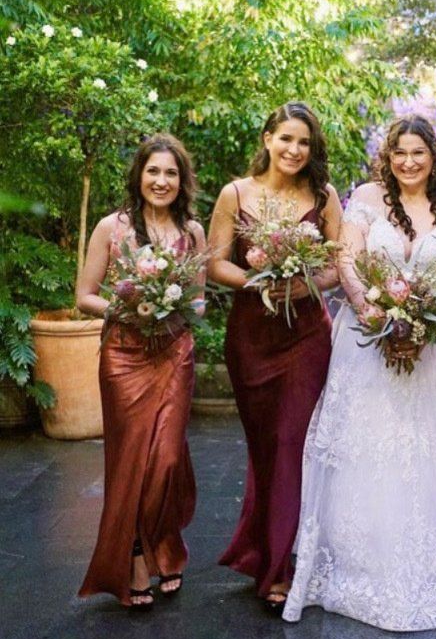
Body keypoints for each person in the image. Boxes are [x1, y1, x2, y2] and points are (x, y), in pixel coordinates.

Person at [283, 114, 436, 631]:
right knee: (371, 448)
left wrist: (426, 324)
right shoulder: (364, 198)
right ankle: (362, 555)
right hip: (367, 344)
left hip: (435, 349)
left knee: (431, 450)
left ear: (434, 158)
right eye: (400, 153)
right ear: (388, 157)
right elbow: (349, 261)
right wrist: (376, 316)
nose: (408, 162)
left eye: (418, 153)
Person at [207, 102, 342, 613]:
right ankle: (263, 549)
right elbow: (215, 263)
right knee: (265, 446)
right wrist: (259, 281)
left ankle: (283, 567)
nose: (294, 150)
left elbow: (338, 263)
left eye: (304, 142)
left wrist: (303, 287)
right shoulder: (235, 194)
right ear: (267, 139)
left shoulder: (323, 196)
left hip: (306, 335)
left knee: (293, 441)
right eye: (286, 138)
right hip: (250, 337)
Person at [78, 133, 206, 610]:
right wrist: (133, 306)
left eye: (171, 172)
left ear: (181, 180)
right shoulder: (112, 228)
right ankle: (134, 553)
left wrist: (169, 308)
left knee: (167, 459)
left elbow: (197, 301)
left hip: (174, 352)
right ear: (138, 175)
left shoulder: (192, 232)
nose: (161, 180)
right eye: (153, 171)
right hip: (124, 354)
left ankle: (165, 541)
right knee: (131, 461)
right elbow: (85, 295)